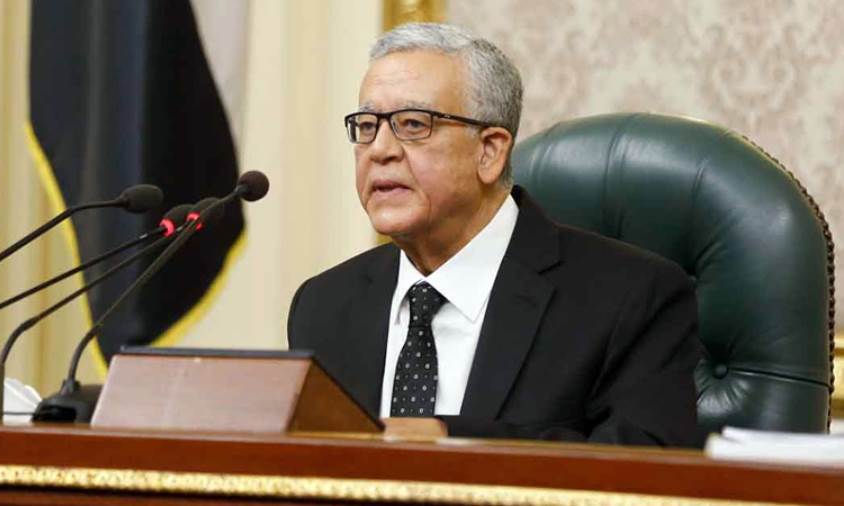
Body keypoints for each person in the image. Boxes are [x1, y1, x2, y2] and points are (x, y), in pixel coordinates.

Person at [287, 23, 702, 447]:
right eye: (366, 126)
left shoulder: (632, 297)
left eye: (412, 124)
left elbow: (643, 463)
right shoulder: (323, 306)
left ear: (489, 151)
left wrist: (446, 438)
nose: (379, 150)